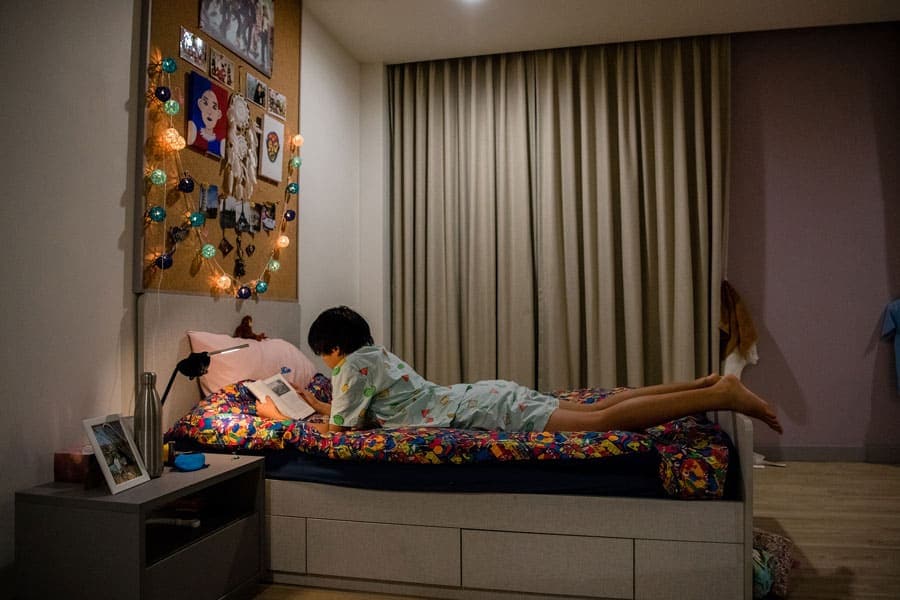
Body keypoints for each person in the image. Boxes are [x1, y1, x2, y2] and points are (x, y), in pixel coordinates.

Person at [257, 306, 782, 436]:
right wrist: (321, 404)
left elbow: (342, 430)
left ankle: (721, 395)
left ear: (332, 349)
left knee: (601, 423)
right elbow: (355, 409)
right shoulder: (375, 355)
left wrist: (282, 418)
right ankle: (703, 384)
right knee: (601, 407)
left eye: (324, 356)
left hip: (484, 409)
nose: (327, 365)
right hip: (482, 395)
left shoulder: (350, 367)